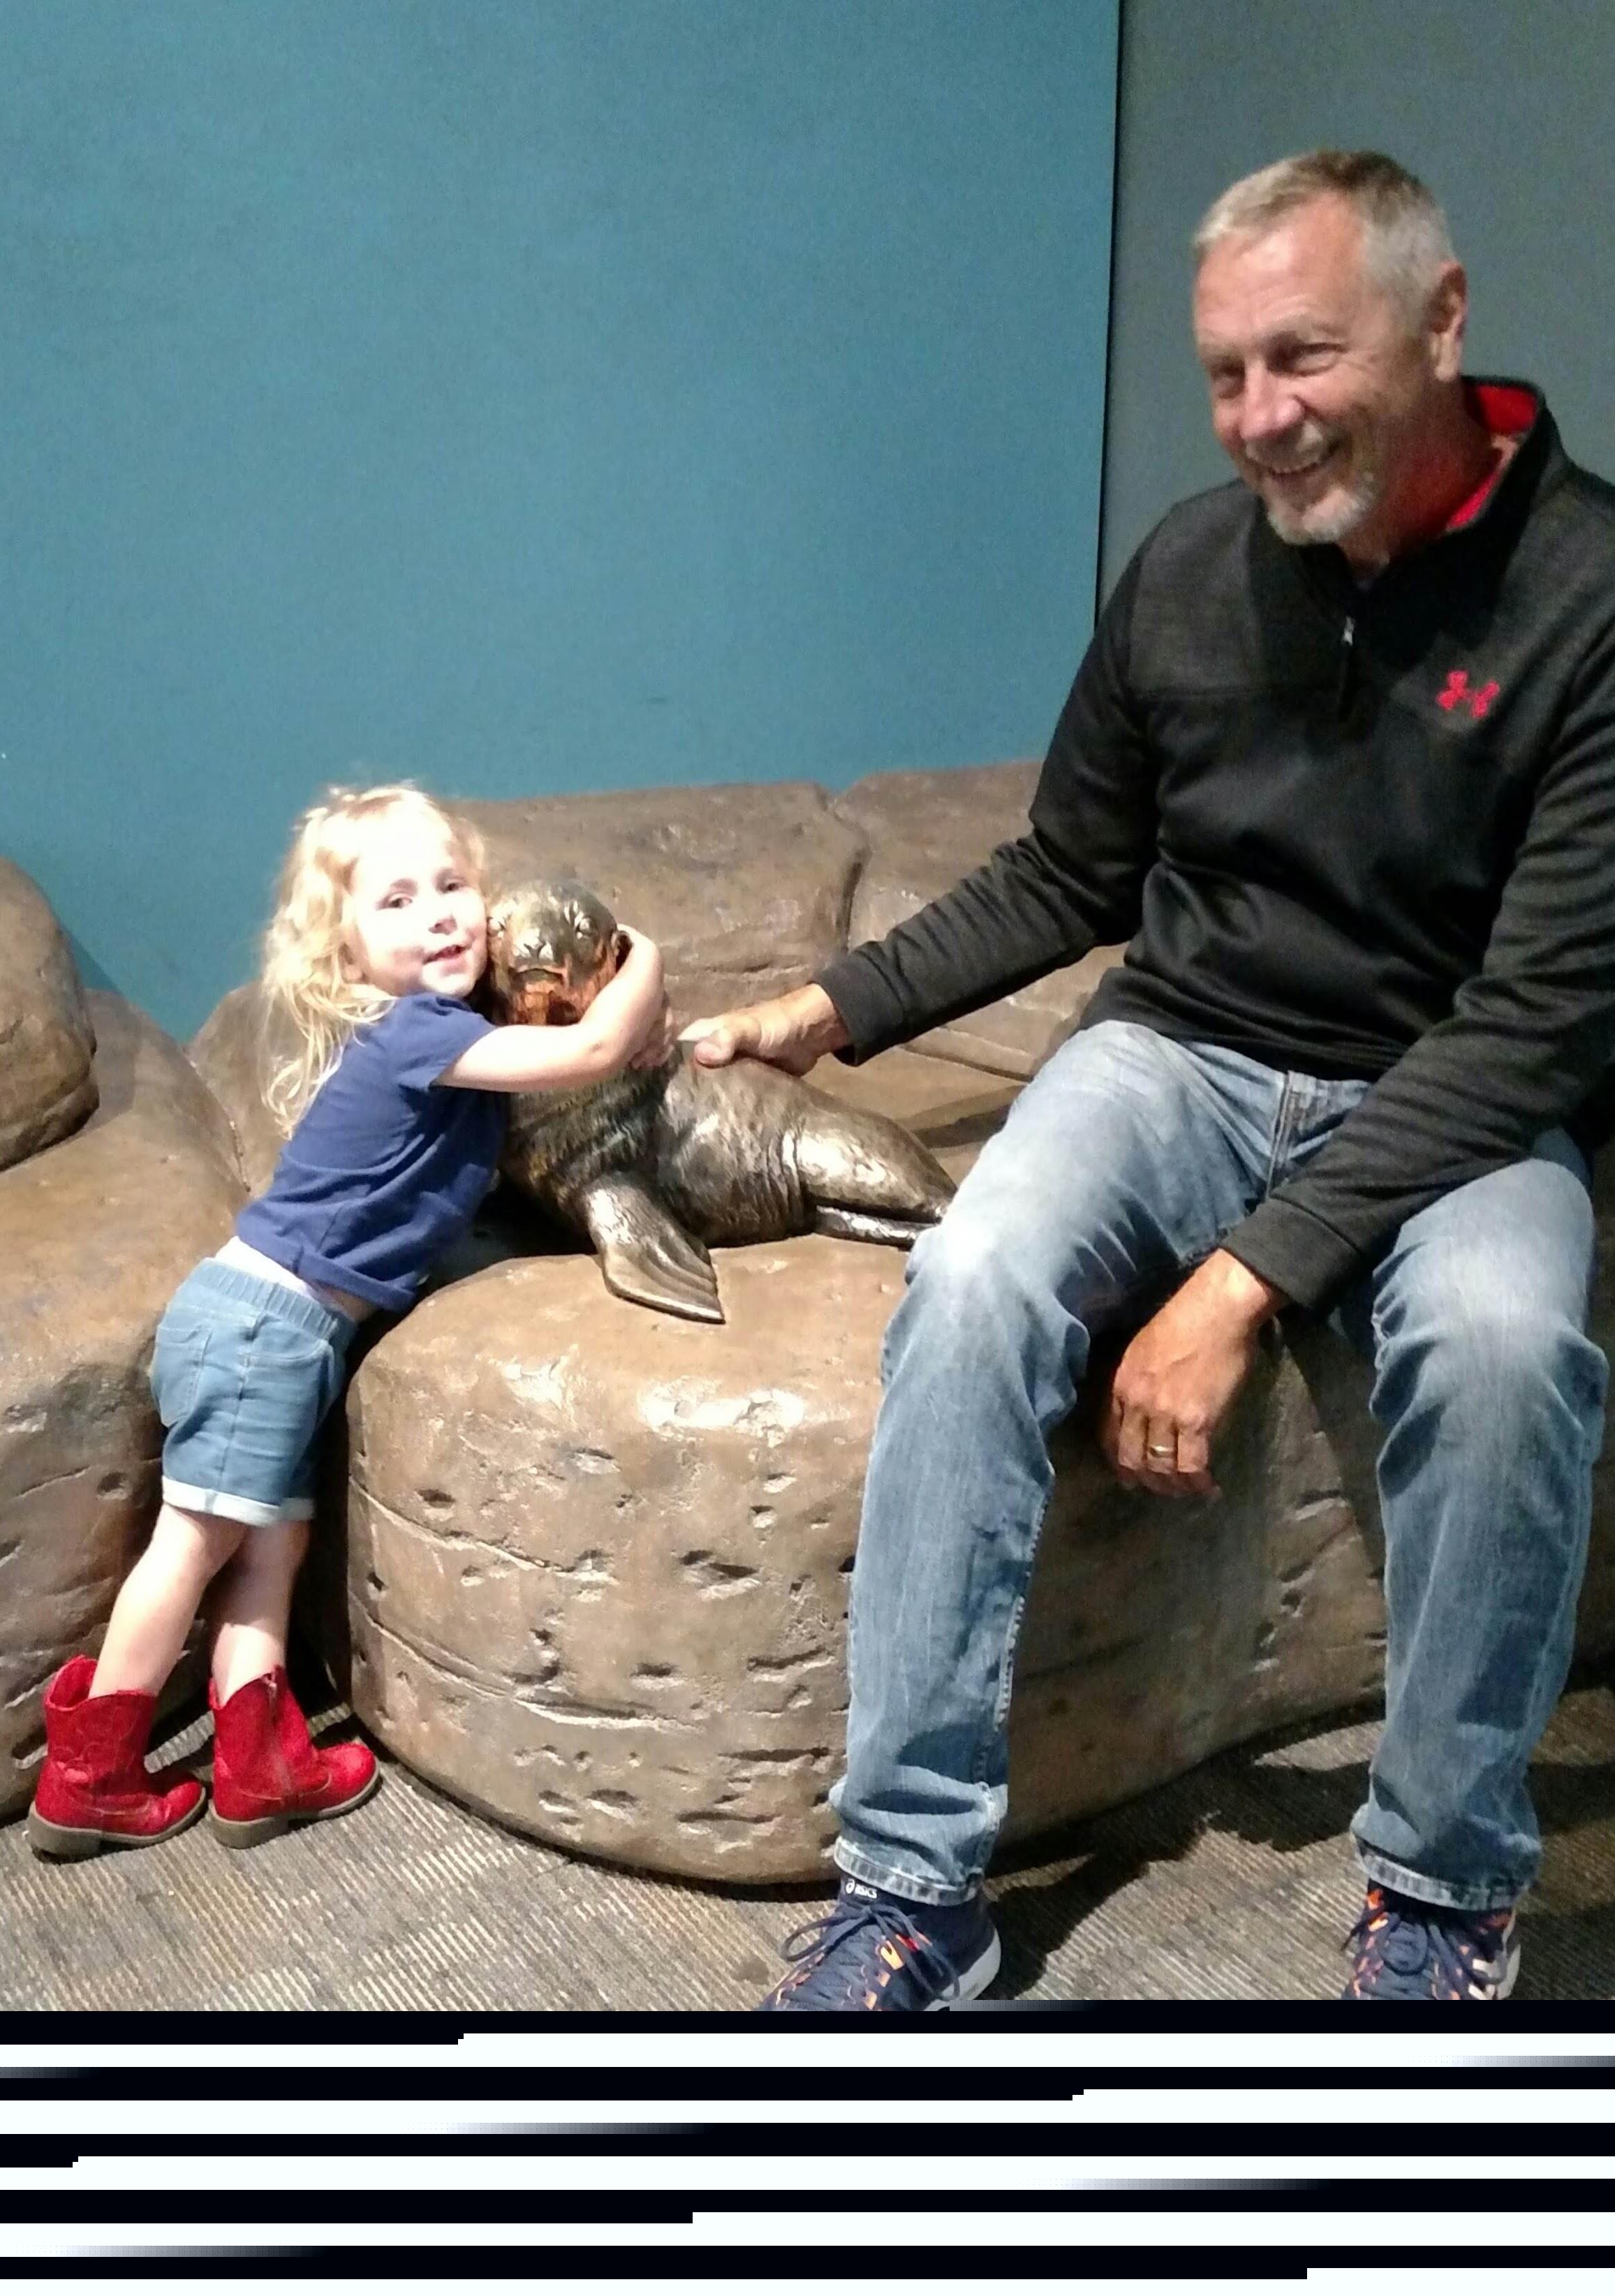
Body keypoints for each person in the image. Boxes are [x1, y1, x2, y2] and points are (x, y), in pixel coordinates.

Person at [686, 151, 1615, 2005]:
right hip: (1180, 1054)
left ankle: (1439, 1900)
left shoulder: (1590, 599)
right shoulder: (1195, 565)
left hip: (1462, 1097)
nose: (1261, 422)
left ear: (1441, 321)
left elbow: (1535, 1025)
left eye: (1304, 357)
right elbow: (1070, 871)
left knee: (1511, 1349)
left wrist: (1232, 1283)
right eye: (1224, 373)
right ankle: (913, 1884)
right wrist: (828, 1009)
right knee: (969, 1278)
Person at [28, 783, 670, 1860]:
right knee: (189, 1549)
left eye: (454, 886)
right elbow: (589, 1055)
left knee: (271, 1551)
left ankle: (257, 1764)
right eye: (398, 902)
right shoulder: (413, 1036)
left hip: (286, 1334)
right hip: (260, 1326)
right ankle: (89, 1774)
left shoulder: (458, 1030)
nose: (440, 915)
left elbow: (575, 1050)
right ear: (346, 958)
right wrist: (637, 954)